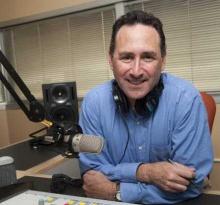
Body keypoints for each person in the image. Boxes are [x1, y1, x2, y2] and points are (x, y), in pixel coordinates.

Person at [78, 10, 213, 204]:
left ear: (163, 60)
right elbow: (91, 173)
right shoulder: (92, 103)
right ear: (110, 60)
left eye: (148, 57)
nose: (136, 71)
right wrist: (147, 172)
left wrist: (116, 190)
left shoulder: (186, 99)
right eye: (126, 57)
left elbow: (191, 183)